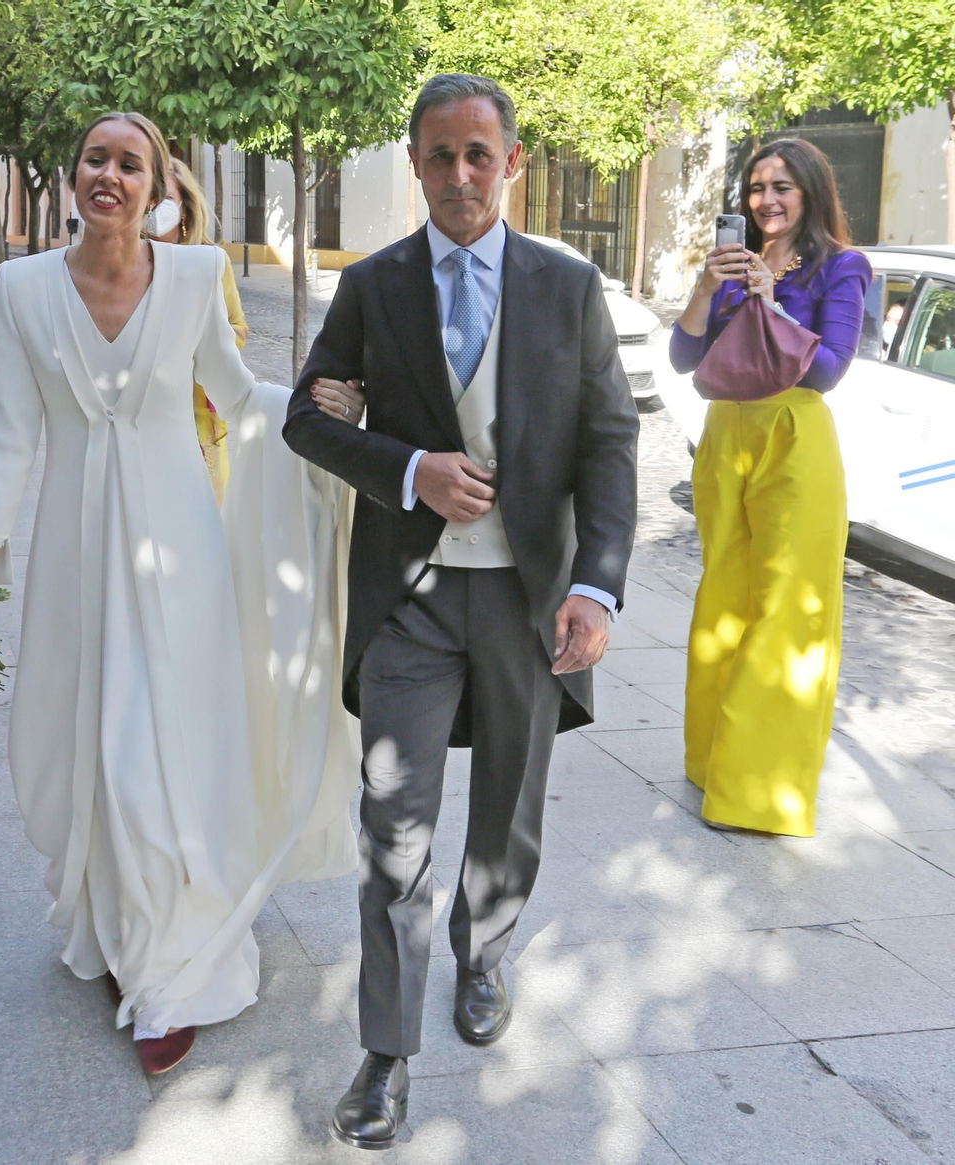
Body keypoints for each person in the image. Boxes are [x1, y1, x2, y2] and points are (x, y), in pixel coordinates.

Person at [0, 111, 366, 1077]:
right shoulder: (19, 288)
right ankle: (112, 926)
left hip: (180, 551)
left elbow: (235, 396)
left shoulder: (192, 276)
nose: (110, 174)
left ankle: (171, 965)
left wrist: (327, 421)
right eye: (95, 159)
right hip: (71, 555)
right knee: (81, 738)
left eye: (129, 163)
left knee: (160, 744)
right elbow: (8, 435)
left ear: (155, 188)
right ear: (73, 178)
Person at [283, 74, 638, 1150]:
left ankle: (484, 951)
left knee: (509, 811)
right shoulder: (373, 284)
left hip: (532, 598)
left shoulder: (568, 288)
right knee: (391, 825)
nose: (458, 176)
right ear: (415, 164)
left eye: (478, 155)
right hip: (412, 598)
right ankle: (385, 1051)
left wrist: (598, 581)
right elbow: (307, 416)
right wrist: (407, 469)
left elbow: (610, 439)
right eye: (438, 156)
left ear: (511, 163)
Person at [669, 138, 870, 838]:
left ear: (811, 190)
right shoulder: (736, 263)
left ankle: (760, 794)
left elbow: (828, 369)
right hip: (727, 434)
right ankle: (713, 763)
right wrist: (706, 287)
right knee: (724, 598)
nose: (767, 201)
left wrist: (772, 302)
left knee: (789, 611)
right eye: (756, 188)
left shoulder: (843, 266)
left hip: (794, 436)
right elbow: (685, 356)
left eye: (781, 186)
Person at [144, 159, 264, 505]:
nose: (153, 207)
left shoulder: (211, 262)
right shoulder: (126, 267)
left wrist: (198, 338)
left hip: (199, 425)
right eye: (149, 196)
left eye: (164, 197)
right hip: (141, 420)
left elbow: (238, 328)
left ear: (184, 207)